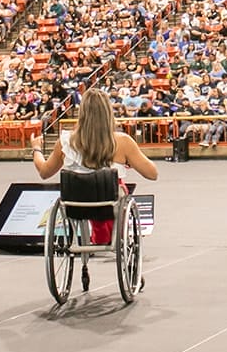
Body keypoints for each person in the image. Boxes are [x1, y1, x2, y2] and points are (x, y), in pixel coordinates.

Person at [30, 89, 158, 249]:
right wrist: (129, 157)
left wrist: (36, 149)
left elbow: (44, 172)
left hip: (75, 202)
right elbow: (152, 174)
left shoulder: (65, 142)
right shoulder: (123, 142)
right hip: (109, 201)